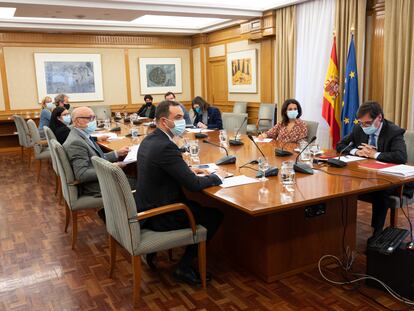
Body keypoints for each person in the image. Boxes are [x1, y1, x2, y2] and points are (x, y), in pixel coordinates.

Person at [136, 100, 225, 285]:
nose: (182, 120)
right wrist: (218, 177)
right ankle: (184, 266)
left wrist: (187, 170)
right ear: (163, 121)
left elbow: (165, 169)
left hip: (145, 207)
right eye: (177, 118)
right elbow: (193, 185)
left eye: (183, 116)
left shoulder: (150, 140)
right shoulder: (166, 146)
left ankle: (154, 254)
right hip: (163, 214)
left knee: (198, 206)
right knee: (214, 215)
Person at [336, 101, 412, 236]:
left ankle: (376, 233)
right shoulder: (359, 128)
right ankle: (341, 228)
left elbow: (401, 157)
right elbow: (340, 145)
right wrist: (356, 152)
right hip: (365, 173)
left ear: (379, 118)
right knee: (341, 182)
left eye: (368, 123)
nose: (364, 126)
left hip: (391, 177)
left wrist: (374, 154)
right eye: (361, 123)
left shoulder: (393, 131)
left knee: (379, 191)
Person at [63, 107, 129, 196]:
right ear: (77, 121)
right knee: (139, 182)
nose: (93, 121)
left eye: (94, 118)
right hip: (95, 185)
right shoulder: (76, 142)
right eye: (90, 118)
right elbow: (82, 174)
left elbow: (98, 157)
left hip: (100, 179)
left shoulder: (83, 135)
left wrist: (117, 153)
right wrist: (111, 166)